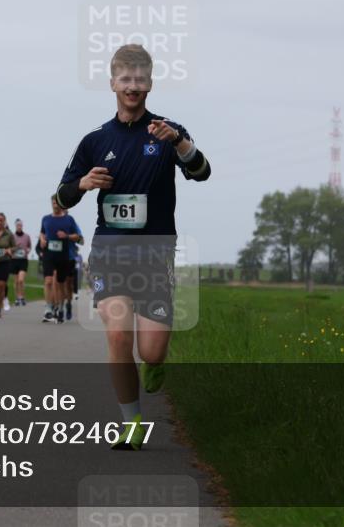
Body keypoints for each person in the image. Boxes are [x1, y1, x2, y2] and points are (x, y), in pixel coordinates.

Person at [54, 44, 211, 450]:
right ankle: (132, 421)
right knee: (118, 337)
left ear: (150, 83)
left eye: (140, 80)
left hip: (156, 254)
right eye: (125, 79)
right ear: (112, 83)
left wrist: (179, 144)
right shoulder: (94, 140)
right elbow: (63, 195)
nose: (133, 86)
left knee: (152, 351)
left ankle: (156, 366)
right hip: (110, 252)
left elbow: (202, 172)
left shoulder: (166, 130)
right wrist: (84, 184)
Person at [39, 196, 81, 324]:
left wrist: (66, 235)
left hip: (63, 255)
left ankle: (61, 307)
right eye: (53, 202)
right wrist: (42, 239)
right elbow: (42, 232)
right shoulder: (46, 219)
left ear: (61, 203)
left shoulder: (69, 219)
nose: (54, 204)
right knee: (48, 281)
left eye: (57, 201)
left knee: (61, 283)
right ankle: (48, 308)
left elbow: (78, 236)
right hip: (49, 254)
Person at [9, 218, 32, 307]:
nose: (19, 227)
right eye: (18, 225)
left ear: (22, 226)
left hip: (23, 260)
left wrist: (28, 251)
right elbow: (9, 248)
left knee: (21, 280)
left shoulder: (27, 236)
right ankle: (17, 298)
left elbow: (29, 246)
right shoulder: (12, 236)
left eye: (20, 225)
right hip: (14, 260)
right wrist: (14, 249)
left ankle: (22, 297)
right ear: (15, 226)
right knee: (16, 281)